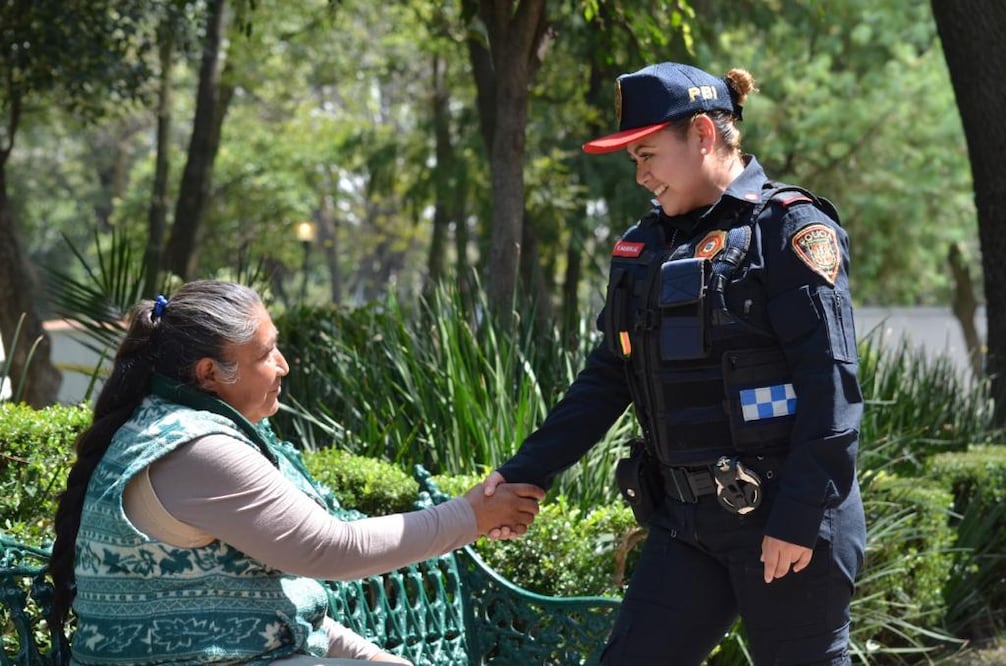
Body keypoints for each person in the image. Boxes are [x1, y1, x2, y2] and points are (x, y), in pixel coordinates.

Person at [484, 62, 866, 665]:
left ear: (703, 135)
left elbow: (832, 390)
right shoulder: (646, 247)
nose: (641, 175)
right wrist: (526, 471)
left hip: (788, 521)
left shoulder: (788, 230)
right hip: (686, 526)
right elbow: (608, 377)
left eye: (648, 154)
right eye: (634, 160)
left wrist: (798, 518)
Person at [49, 279, 544, 665]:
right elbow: (333, 549)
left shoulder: (175, 425)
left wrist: (375, 658)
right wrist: (471, 516)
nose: (283, 365)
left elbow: (273, 606)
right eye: (265, 353)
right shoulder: (199, 449)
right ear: (208, 373)